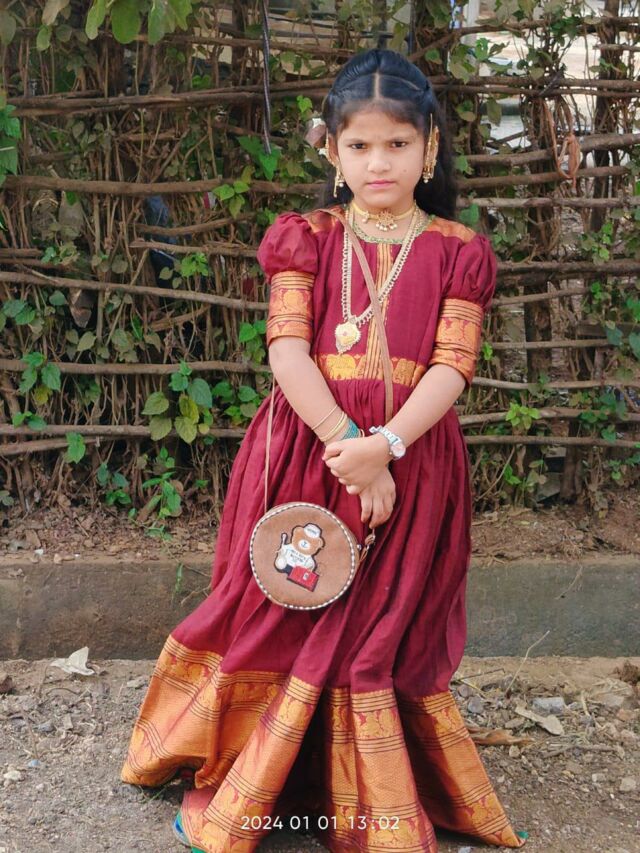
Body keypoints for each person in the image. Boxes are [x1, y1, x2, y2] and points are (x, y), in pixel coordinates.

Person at [120, 48, 526, 853]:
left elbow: (453, 367)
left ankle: (367, 791)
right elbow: (286, 351)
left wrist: (387, 448)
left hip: (414, 460)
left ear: (430, 148)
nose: (379, 163)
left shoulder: (458, 250)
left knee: (382, 626)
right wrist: (349, 443)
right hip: (308, 455)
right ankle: (265, 774)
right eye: (360, 145)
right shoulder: (303, 238)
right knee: (286, 608)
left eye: (398, 144)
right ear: (331, 151)